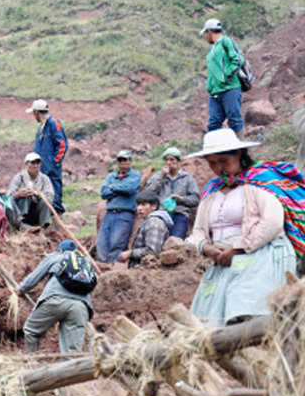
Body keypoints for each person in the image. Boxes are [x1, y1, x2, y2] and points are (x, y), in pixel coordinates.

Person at [185, 129, 304, 326]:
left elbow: (272, 223)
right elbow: (197, 232)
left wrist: (239, 247)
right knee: (205, 320)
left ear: (239, 154)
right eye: (212, 163)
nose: (218, 168)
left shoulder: (260, 181)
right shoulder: (212, 190)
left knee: (244, 311)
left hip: (261, 256)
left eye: (223, 161)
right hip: (223, 262)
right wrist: (207, 247)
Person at [19, 240, 94, 353]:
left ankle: (31, 361)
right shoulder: (85, 262)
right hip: (81, 307)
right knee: (72, 352)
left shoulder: (55, 257)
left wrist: (20, 289)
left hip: (55, 301)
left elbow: (31, 281)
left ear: (60, 250)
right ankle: (71, 369)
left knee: (31, 331)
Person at [96, 150, 141, 263]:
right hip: (110, 213)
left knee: (116, 243)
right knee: (102, 243)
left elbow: (129, 189)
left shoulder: (135, 175)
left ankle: (113, 270)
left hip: (124, 214)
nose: (122, 162)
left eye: (124, 159)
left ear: (130, 161)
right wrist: (120, 189)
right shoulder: (111, 176)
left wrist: (113, 187)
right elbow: (103, 193)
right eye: (119, 160)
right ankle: (101, 267)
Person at [200, 19, 244, 135]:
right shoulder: (212, 49)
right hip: (215, 92)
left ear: (210, 32)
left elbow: (238, 60)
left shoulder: (226, 42)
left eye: (206, 33)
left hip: (230, 88)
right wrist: (209, 86)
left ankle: (240, 149)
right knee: (214, 123)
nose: (206, 37)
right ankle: (217, 150)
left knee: (234, 120)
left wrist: (227, 76)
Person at [144, 147, 200, 238]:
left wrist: (181, 199)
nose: (168, 162)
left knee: (175, 241)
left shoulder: (187, 178)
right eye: (166, 160)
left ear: (179, 162)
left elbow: (195, 199)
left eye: (172, 159)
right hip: (161, 214)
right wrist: (161, 176)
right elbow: (149, 193)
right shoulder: (159, 176)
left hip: (180, 213)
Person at [27, 99, 68, 214]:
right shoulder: (41, 127)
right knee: (43, 193)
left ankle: (56, 217)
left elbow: (62, 145)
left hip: (51, 168)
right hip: (41, 168)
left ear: (36, 112)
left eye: (33, 113)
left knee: (54, 193)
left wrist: (55, 163)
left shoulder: (53, 123)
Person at [118, 191, 173, 268]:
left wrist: (131, 253)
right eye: (138, 205)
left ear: (154, 206)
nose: (139, 208)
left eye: (143, 205)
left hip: (148, 272)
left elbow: (153, 252)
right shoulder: (147, 221)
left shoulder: (154, 223)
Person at [8, 152, 54, 229]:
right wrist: (18, 194)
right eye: (32, 163)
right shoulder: (19, 178)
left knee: (46, 201)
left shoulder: (44, 179)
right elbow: (10, 195)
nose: (36, 166)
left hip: (37, 211)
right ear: (26, 164)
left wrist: (36, 194)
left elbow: (50, 195)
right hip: (21, 211)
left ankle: (43, 226)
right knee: (26, 194)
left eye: (38, 163)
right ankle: (22, 224)